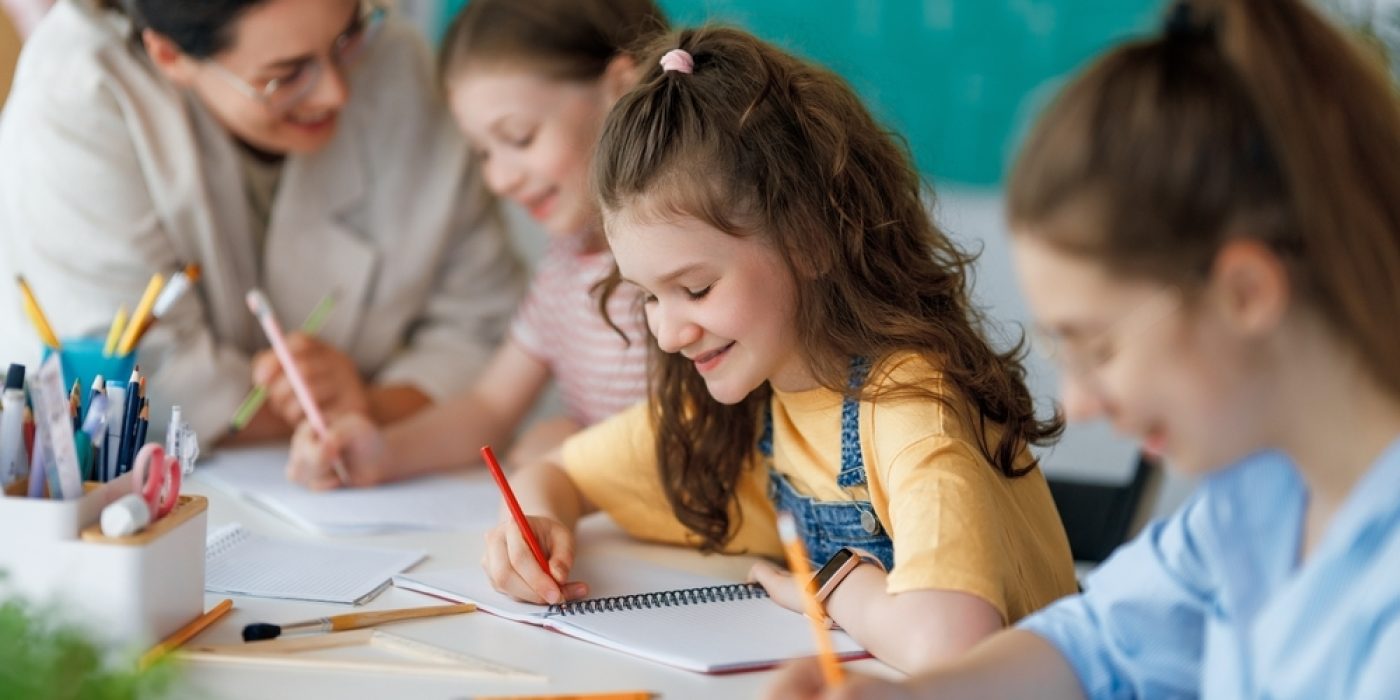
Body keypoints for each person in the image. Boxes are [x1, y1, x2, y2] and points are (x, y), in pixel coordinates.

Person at [765, 0, 1400, 697]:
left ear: (1245, 293)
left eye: (1097, 347)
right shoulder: (1255, 498)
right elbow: (1097, 643)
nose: (1078, 402)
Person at [481, 26, 1078, 673]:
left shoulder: (908, 406)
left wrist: (832, 587)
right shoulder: (749, 401)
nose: (668, 332)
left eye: (696, 288)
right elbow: (559, 473)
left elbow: (953, 645)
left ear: (810, 241)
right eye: (649, 297)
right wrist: (533, 524)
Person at [0, 0, 524, 443]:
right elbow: (147, 378)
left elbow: (482, 320)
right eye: (287, 74)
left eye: (348, 37)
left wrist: (369, 407)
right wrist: (310, 417)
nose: (336, 92)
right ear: (170, 55)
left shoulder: (398, 65)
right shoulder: (79, 90)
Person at [285, 0, 666, 489]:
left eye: (519, 137)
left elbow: (718, 444)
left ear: (619, 89)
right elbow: (488, 407)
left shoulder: (679, 266)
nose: (499, 179)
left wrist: (576, 456)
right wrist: (381, 452)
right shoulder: (566, 264)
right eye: (483, 151)